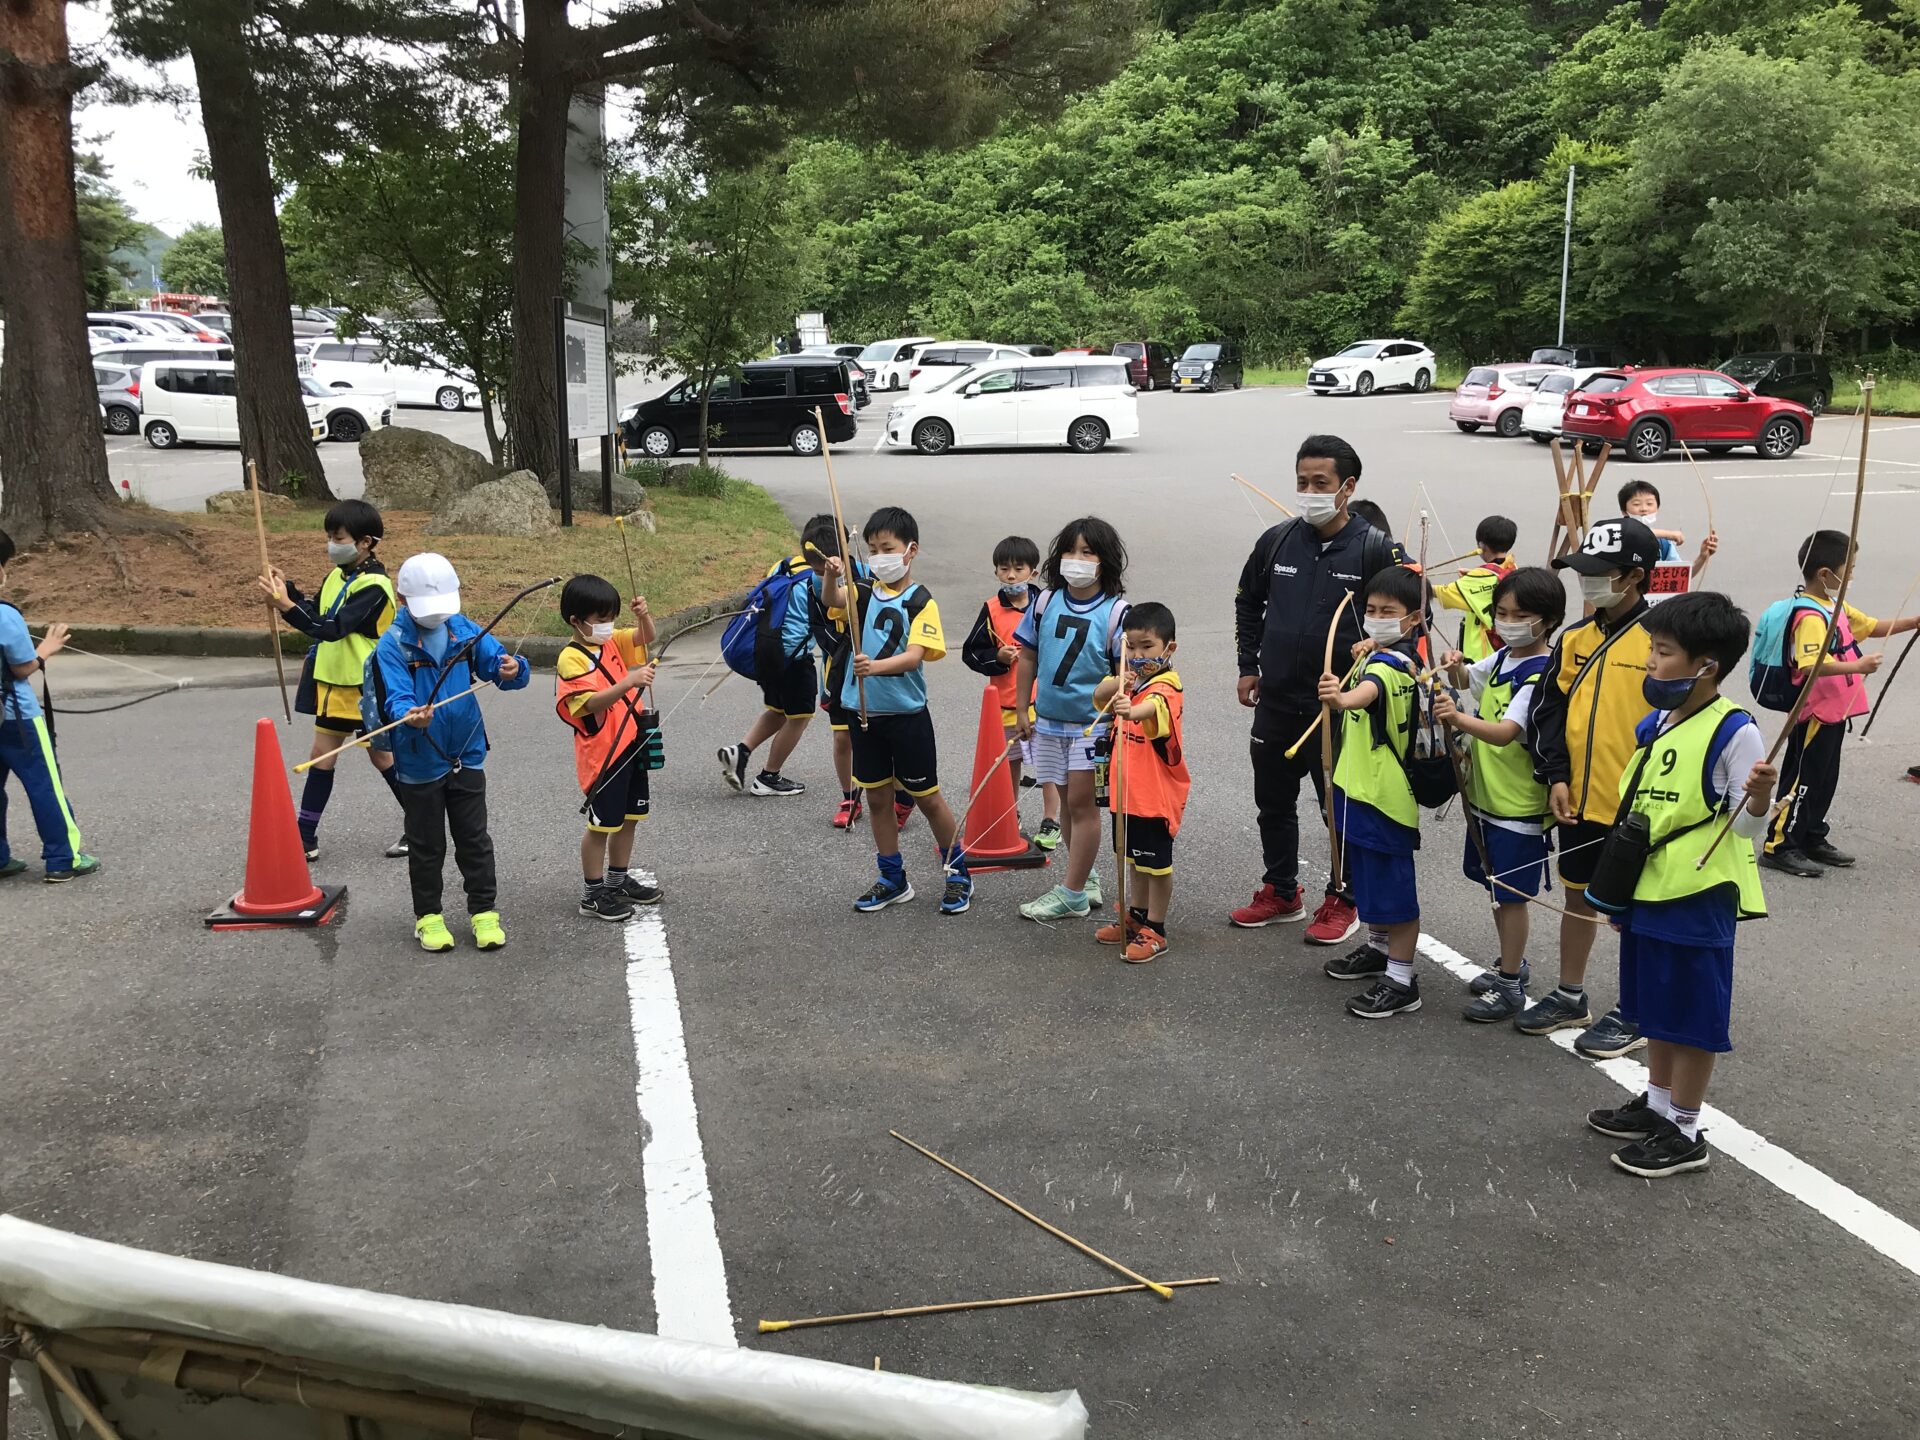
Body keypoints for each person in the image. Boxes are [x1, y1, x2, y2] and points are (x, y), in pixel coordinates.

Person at [1583, 591, 1775, 1177]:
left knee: (1691, 1015)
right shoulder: (1659, 722)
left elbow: (1747, 830)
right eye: (1653, 648)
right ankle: (1659, 1103)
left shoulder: (1735, 730)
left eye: (1663, 652)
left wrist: (1760, 797)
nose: (1650, 661)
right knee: (1654, 1007)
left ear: (1706, 666)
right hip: (1647, 886)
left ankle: (1686, 1130)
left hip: (1696, 895)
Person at [1231, 435, 1398, 942]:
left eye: (1320, 483)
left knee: (1338, 806)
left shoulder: (1377, 549)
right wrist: (1248, 665)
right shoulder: (1277, 541)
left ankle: (1344, 896)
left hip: (1340, 706)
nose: (1308, 492)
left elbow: (1411, 617)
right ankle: (1282, 892)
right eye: (1302, 482)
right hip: (1277, 700)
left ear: (1348, 487)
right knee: (1273, 803)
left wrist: (1374, 655)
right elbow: (1247, 602)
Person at [1520, 516, 1662, 1058]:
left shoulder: (1662, 640)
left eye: (1601, 573)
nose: (1588, 582)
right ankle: (1570, 993)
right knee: (1577, 896)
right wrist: (1555, 774)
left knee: (1632, 912)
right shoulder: (1575, 638)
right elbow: (1548, 710)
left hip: (1636, 808)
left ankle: (1637, 1008)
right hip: (1578, 799)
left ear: (1635, 576)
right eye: (1584, 571)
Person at [369, 553, 531, 952]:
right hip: (419, 758)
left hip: (467, 752)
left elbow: (501, 668)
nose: (437, 616)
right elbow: (397, 697)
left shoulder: (463, 629)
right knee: (426, 844)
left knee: (474, 838)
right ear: (402, 600)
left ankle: (484, 912)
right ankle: (428, 917)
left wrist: (514, 668)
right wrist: (410, 715)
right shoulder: (392, 645)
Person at [817, 506, 970, 914]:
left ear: (910, 550)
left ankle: (957, 871)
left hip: (906, 716)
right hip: (862, 712)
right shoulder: (863, 592)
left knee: (927, 798)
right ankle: (892, 877)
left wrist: (875, 667)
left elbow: (916, 655)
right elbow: (832, 599)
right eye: (873, 549)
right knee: (878, 799)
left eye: (887, 548)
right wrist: (832, 574)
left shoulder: (920, 600)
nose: (879, 556)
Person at [1432, 565, 1564, 1021]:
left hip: (1517, 805)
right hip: (1486, 798)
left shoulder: (1540, 673)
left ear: (1549, 621)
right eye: (1502, 613)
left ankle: (1510, 985)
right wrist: (1455, 667)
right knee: (1495, 888)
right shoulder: (1505, 656)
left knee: (1511, 896)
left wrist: (1457, 718)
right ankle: (1512, 964)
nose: (1508, 622)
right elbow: (1468, 679)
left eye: (1521, 615)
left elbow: (1507, 732)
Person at [1761, 530, 1920, 878]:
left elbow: (1870, 627)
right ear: (1824, 573)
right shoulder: (1811, 616)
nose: (1851, 575)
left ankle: (1811, 835)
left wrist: (1911, 623)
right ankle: (1780, 844)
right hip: (1814, 712)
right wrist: (1858, 667)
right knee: (1802, 779)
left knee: (1824, 778)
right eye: (1848, 569)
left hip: (1833, 712)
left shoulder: (1835, 606)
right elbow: (1810, 664)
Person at [258, 499, 408, 862]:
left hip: (365, 686)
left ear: (366, 542)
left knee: (381, 756)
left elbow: (331, 628)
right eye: (329, 536)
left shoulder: (374, 587)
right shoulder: (339, 577)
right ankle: (304, 837)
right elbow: (316, 612)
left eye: (338, 538)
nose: (331, 544)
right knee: (321, 757)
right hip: (333, 684)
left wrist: (285, 607)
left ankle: (422, 821)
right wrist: (287, 590)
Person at [1316, 565, 1428, 1016]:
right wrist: (1369, 645)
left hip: (1383, 799)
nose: (1376, 618)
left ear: (1413, 619)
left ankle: (1401, 981)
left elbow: (1368, 691)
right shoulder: (1383, 654)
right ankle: (1379, 950)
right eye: (1372, 609)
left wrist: (1340, 698)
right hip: (1357, 790)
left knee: (1393, 892)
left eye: (1389, 611)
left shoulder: (1391, 667)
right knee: (1366, 881)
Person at [1015, 517, 1131, 921]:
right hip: (1048, 721)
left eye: (1088, 552)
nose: (1077, 559)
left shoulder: (1116, 613)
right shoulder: (1045, 602)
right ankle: (1085, 876)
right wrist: (1022, 709)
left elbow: (1126, 672)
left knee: (1083, 805)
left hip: (1092, 727)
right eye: (1070, 550)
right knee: (1065, 803)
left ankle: (1073, 893)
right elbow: (1027, 657)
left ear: (1105, 560)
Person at [555, 574, 661, 922]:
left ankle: (617, 880)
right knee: (601, 826)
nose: (608, 626)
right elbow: (587, 703)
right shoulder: (571, 658)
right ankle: (592, 894)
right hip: (604, 755)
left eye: (612, 618)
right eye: (601, 619)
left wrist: (644, 615)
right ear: (576, 620)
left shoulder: (611, 641)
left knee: (630, 818)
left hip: (631, 744)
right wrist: (628, 682)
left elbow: (645, 637)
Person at [1091, 602, 1190, 963]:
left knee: (1156, 865)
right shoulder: (1132, 680)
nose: (1137, 655)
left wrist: (1131, 709)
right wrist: (1119, 684)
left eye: (1147, 647)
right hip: (1125, 792)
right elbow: (1099, 695)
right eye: (1130, 647)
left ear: (1169, 648)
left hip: (1153, 797)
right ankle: (1137, 914)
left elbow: (1154, 709)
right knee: (1132, 859)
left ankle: (1156, 928)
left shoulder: (1166, 686)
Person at [0, 529, 97, 882]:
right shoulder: (5, 616)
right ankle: (63, 858)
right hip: (17, 718)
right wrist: (46, 650)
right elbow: (21, 667)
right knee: (44, 785)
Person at [962, 535, 1058, 842]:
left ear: (1034, 572)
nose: (1012, 576)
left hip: (1044, 702)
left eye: (1019, 569)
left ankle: (1051, 820)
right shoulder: (991, 609)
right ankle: (1009, 814)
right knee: (1008, 763)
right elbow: (971, 652)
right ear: (996, 572)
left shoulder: (1047, 605)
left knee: (1048, 763)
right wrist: (997, 658)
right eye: (1004, 569)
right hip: (1006, 704)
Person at [717, 537, 824, 800]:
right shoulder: (820, 580)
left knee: (778, 711)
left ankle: (740, 752)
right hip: (794, 660)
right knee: (799, 717)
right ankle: (769, 777)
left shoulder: (785, 565)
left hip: (767, 652)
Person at [1431, 515, 1517, 663]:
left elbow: (1445, 593)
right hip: (1502, 647)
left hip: (1482, 653)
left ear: (1482, 546)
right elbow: (1492, 582)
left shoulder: (1481, 576)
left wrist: (1417, 583)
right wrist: (1472, 575)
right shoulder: (1511, 567)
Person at [1619, 480, 1718, 579]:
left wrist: (1702, 557)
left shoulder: (1664, 544)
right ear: (1624, 511)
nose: (1644, 509)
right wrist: (1669, 534)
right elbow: (1634, 533)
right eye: (1636, 504)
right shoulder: (1617, 535)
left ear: (1657, 508)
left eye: (1649, 503)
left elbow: (1681, 576)